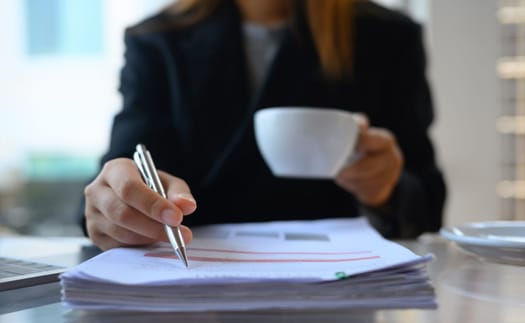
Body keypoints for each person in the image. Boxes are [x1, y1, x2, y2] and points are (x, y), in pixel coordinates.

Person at [82, 0, 446, 251]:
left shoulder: (387, 37)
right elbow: (121, 175)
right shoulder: (156, 40)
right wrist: (117, 203)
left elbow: (427, 202)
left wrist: (387, 193)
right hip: (194, 288)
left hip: (336, 291)